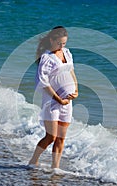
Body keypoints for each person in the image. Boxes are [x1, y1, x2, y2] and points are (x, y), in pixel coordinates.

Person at [28, 26, 78, 169]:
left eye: (64, 43)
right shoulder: (46, 57)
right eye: (59, 43)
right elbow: (43, 83)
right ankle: (33, 160)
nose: (62, 46)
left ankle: (55, 167)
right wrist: (58, 99)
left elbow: (72, 71)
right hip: (52, 102)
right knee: (51, 137)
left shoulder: (67, 53)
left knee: (61, 138)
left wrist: (76, 90)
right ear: (51, 40)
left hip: (67, 102)